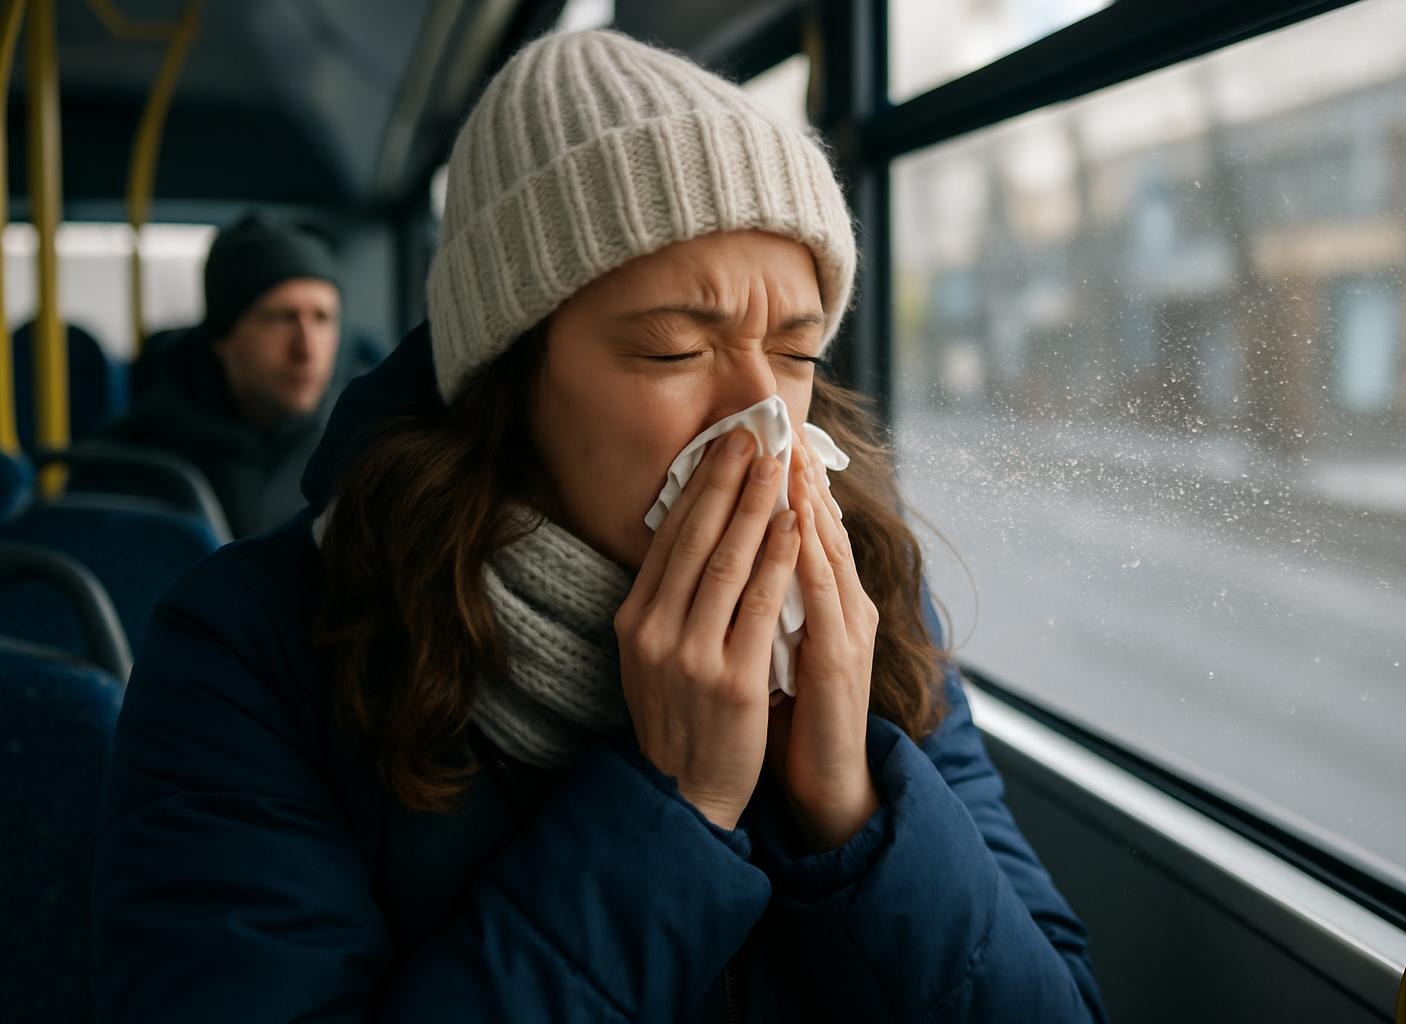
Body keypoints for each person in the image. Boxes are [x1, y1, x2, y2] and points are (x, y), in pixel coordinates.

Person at [91, 29, 1106, 1022]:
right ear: (513, 380)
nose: (759, 425)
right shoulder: (253, 652)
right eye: (672, 351)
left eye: (796, 353)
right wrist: (671, 806)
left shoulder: (871, 599)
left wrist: (856, 806)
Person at [98, 215, 347, 537]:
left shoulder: (364, 448)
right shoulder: (132, 462)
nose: (306, 350)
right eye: (280, 318)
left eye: (323, 318)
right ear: (223, 337)